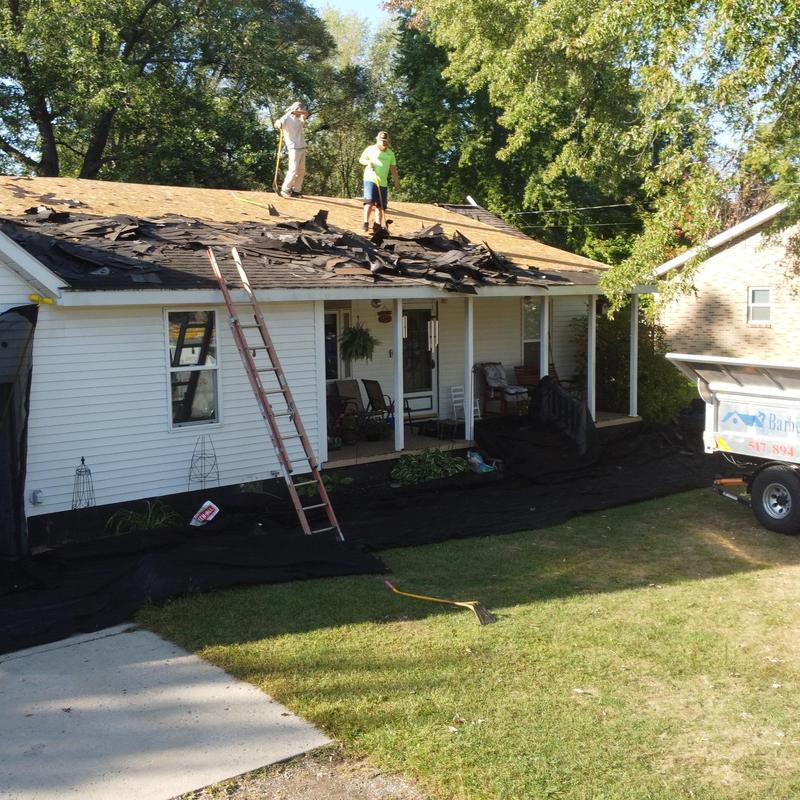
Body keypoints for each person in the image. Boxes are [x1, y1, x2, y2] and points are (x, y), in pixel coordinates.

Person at [359, 131, 400, 231]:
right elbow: (361, 159)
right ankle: (365, 223)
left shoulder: (390, 153)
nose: (383, 143)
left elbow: (393, 168)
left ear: (388, 141)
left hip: (383, 182)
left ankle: (377, 226)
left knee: (381, 205)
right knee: (369, 201)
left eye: (385, 141)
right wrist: (368, 163)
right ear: (377, 139)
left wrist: (396, 181)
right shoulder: (370, 149)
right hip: (370, 178)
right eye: (381, 140)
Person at [274, 102, 309, 198]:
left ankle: (296, 190)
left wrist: (298, 112)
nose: (302, 112)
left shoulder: (300, 117)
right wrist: (278, 124)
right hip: (293, 148)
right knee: (293, 169)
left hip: (302, 146)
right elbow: (277, 123)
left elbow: (306, 114)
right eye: (300, 109)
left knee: (301, 170)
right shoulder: (286, 117)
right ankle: (285, 189)